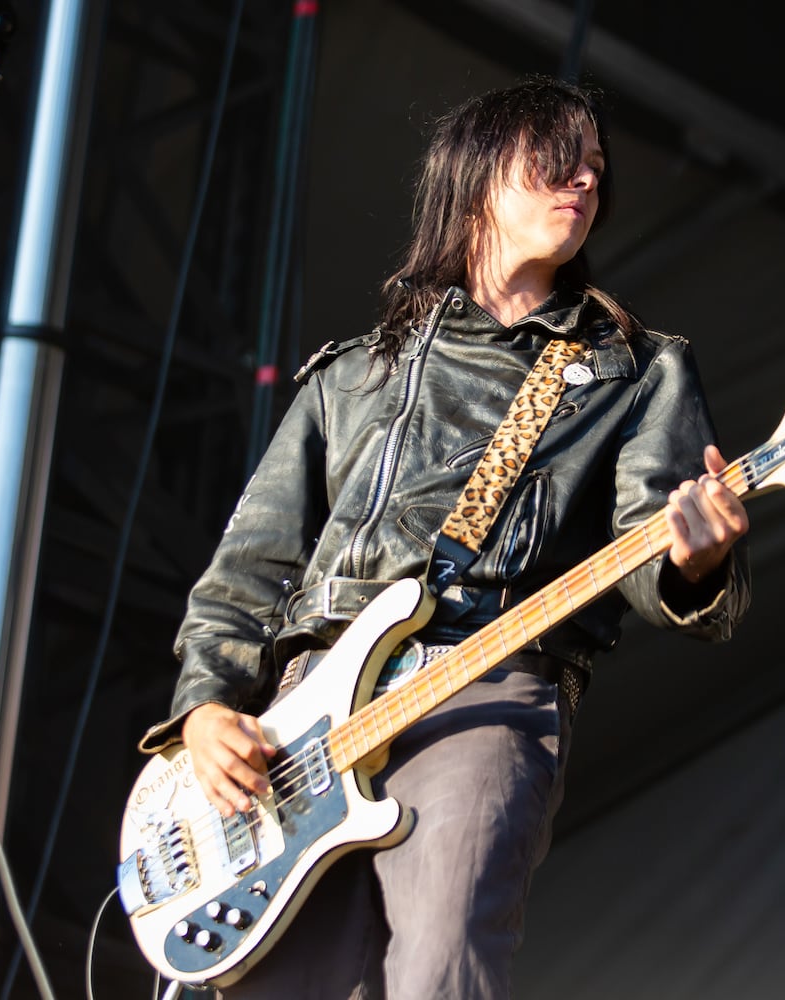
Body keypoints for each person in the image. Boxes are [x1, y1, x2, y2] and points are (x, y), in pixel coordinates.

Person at [137, 77, 750, 999]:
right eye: (556, 160)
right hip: (305, 718)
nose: (583, 181)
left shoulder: (633, 368)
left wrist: (697, 560)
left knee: (438, 967)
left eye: (595, 169)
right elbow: (246, 573)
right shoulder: (351, 377)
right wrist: (205, 710)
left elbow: (653, 547)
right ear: (474, 180)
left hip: (485, 684)